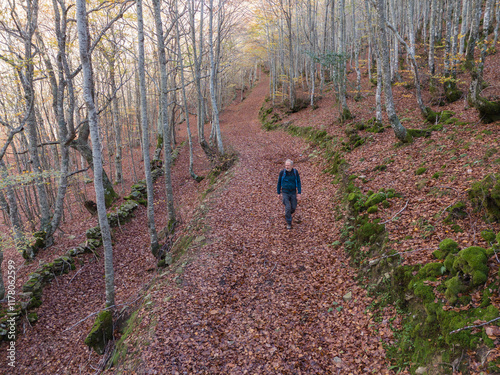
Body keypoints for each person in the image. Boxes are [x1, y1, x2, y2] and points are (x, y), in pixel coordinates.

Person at [277, 159, 302, 230]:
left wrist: (299, 193)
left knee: (293, 207)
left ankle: (287, 214)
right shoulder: (282, 172)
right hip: (285, 192)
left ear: (292, 165)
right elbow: (279, 182)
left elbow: (299, 182)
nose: (286, 167)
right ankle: (289, 223)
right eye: (286, 165)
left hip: (293, 192)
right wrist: (278, 192)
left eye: (288, 165)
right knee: (287, 207)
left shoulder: (295, 172)